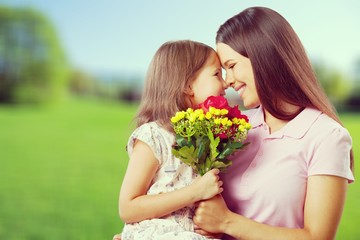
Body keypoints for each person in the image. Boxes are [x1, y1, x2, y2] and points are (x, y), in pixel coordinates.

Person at [193, 6, 355, 240]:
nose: (227, 82)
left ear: (263, 56)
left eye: (231, 66)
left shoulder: (327, 137)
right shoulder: (237, 125)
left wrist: (228, 222)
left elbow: (318, 237)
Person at [117, 40, 228, 240]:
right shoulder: (154, 136)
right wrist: (194, 192)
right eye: (217, 74)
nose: (226, 83)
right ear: (187, 85)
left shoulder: (208, 138)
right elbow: (127, 207)